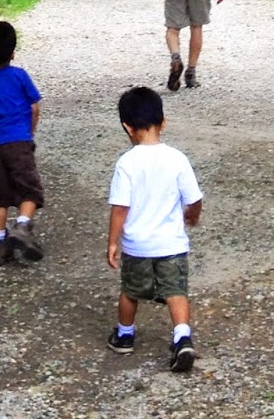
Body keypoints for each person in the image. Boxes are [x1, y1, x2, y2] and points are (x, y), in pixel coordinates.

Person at [105, 84, 204, 372]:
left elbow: (120, 208)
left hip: (138, 246)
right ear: (163, 122)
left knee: (130, 291)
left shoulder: (126, 163)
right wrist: (192, 216)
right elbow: (194, 199)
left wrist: (113, 242)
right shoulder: (177, 159)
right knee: (176, 291)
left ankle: (125, 335)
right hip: (171, 244)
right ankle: (182, 336)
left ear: (127, 127)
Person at [0, 19, 45, 264]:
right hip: (18, 141)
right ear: (12, 52)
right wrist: (30, 133)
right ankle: (22, 227)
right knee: (30, 190)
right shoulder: (19, 76)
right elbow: (34, 107)